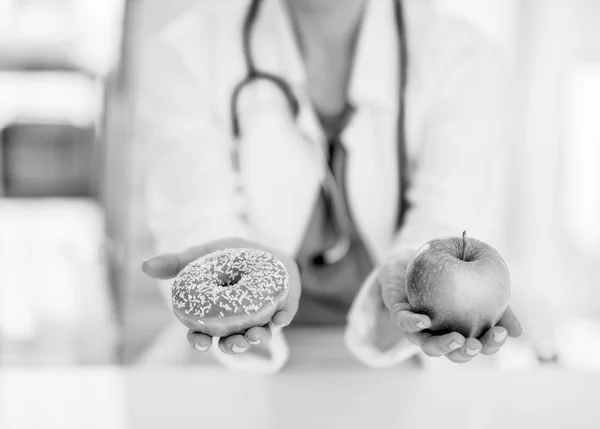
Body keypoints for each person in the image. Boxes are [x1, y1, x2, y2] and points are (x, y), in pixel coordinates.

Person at [138, 0, 522, 373]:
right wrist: (236, 277)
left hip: (407, 356)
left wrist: (418, 291)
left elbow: (449, 218)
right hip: (241, 359)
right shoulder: (187, 53)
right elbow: (196, 217)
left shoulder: (463, 56)